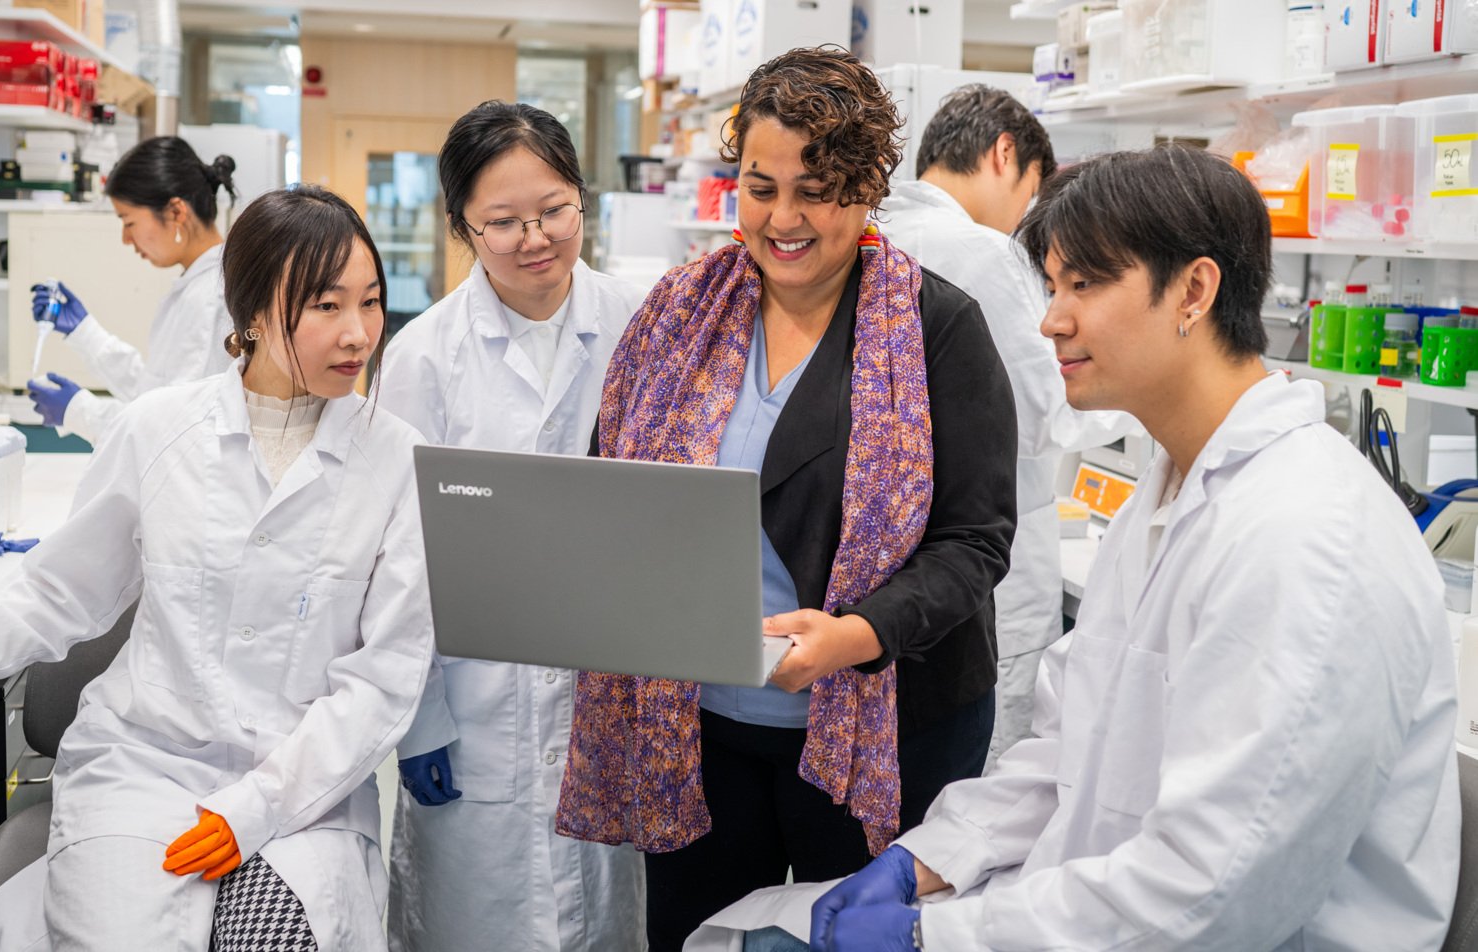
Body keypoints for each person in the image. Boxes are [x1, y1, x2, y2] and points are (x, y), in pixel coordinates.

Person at [803, 145, 1460, 951]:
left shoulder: (1303, 537)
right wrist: (926, 858)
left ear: (1194, 290)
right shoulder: (1173, 488)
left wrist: (936, 938)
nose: (1052, 317)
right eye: (1051, 285)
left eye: (1085, 283)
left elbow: (1211, 891)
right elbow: (1070, 742)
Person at [555, 47, 1018, 951]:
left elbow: (975, 541)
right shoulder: (679, 315)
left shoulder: (936, 328)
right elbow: (611, 487)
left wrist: (859, 634)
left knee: (856, 936)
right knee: (700, 936)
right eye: (761, 187)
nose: (785, 218)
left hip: (885, 727)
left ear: (868, 188)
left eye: (818, 188)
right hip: (701, 730)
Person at [0, 184, 438, 951]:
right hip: (143, 767)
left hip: (303, 793)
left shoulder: (397, 460)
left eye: (372, 301)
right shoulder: (160, 430)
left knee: (275, 940)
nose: (359, 332)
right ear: (252, 313)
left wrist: (255, 808)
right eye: (326, 306)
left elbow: (382, 678)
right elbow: (55, 591)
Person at [378, 101, 646, 952]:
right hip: (475, 703)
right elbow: (397, 555)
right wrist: (419, 718)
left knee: (607, 919)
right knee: (473, 920)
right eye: (503, 223)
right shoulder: (424, 356)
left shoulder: (646, 325)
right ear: (462, 225)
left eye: (554, 210)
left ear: (583, 199)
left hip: (616, 697)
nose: (536, 238)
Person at [879, 84, 1138, 763]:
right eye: (1033, 191)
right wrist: (1139, 391)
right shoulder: (984, 254)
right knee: (983, 795)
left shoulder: (877, 229)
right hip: (987, 571)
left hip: (891, 577)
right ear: (1004, 154)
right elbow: (1043, 413)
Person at [25, 136, 236, 445]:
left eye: (128, 221)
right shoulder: (199, 284)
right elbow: (157, 391)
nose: (126, 238)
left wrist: (80, 410)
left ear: (176, 212)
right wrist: (85, 332)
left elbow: (174, 430)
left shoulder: (210, 297)